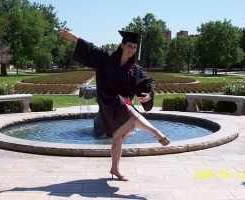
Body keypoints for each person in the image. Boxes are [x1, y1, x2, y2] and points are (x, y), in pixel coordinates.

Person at [60, 29, 171, 181]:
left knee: (118, 137)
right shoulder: (107, 57)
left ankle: (115, 169)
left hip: (121, 103)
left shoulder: (134, 69)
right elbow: (90, 48)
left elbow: (149, 82)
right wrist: (72, 37)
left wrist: (149, 94)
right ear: (122, 45)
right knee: (129, 108)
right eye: (129, 46)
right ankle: (156, 132)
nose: (131, 50)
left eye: (134, 47)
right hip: (108, 101)